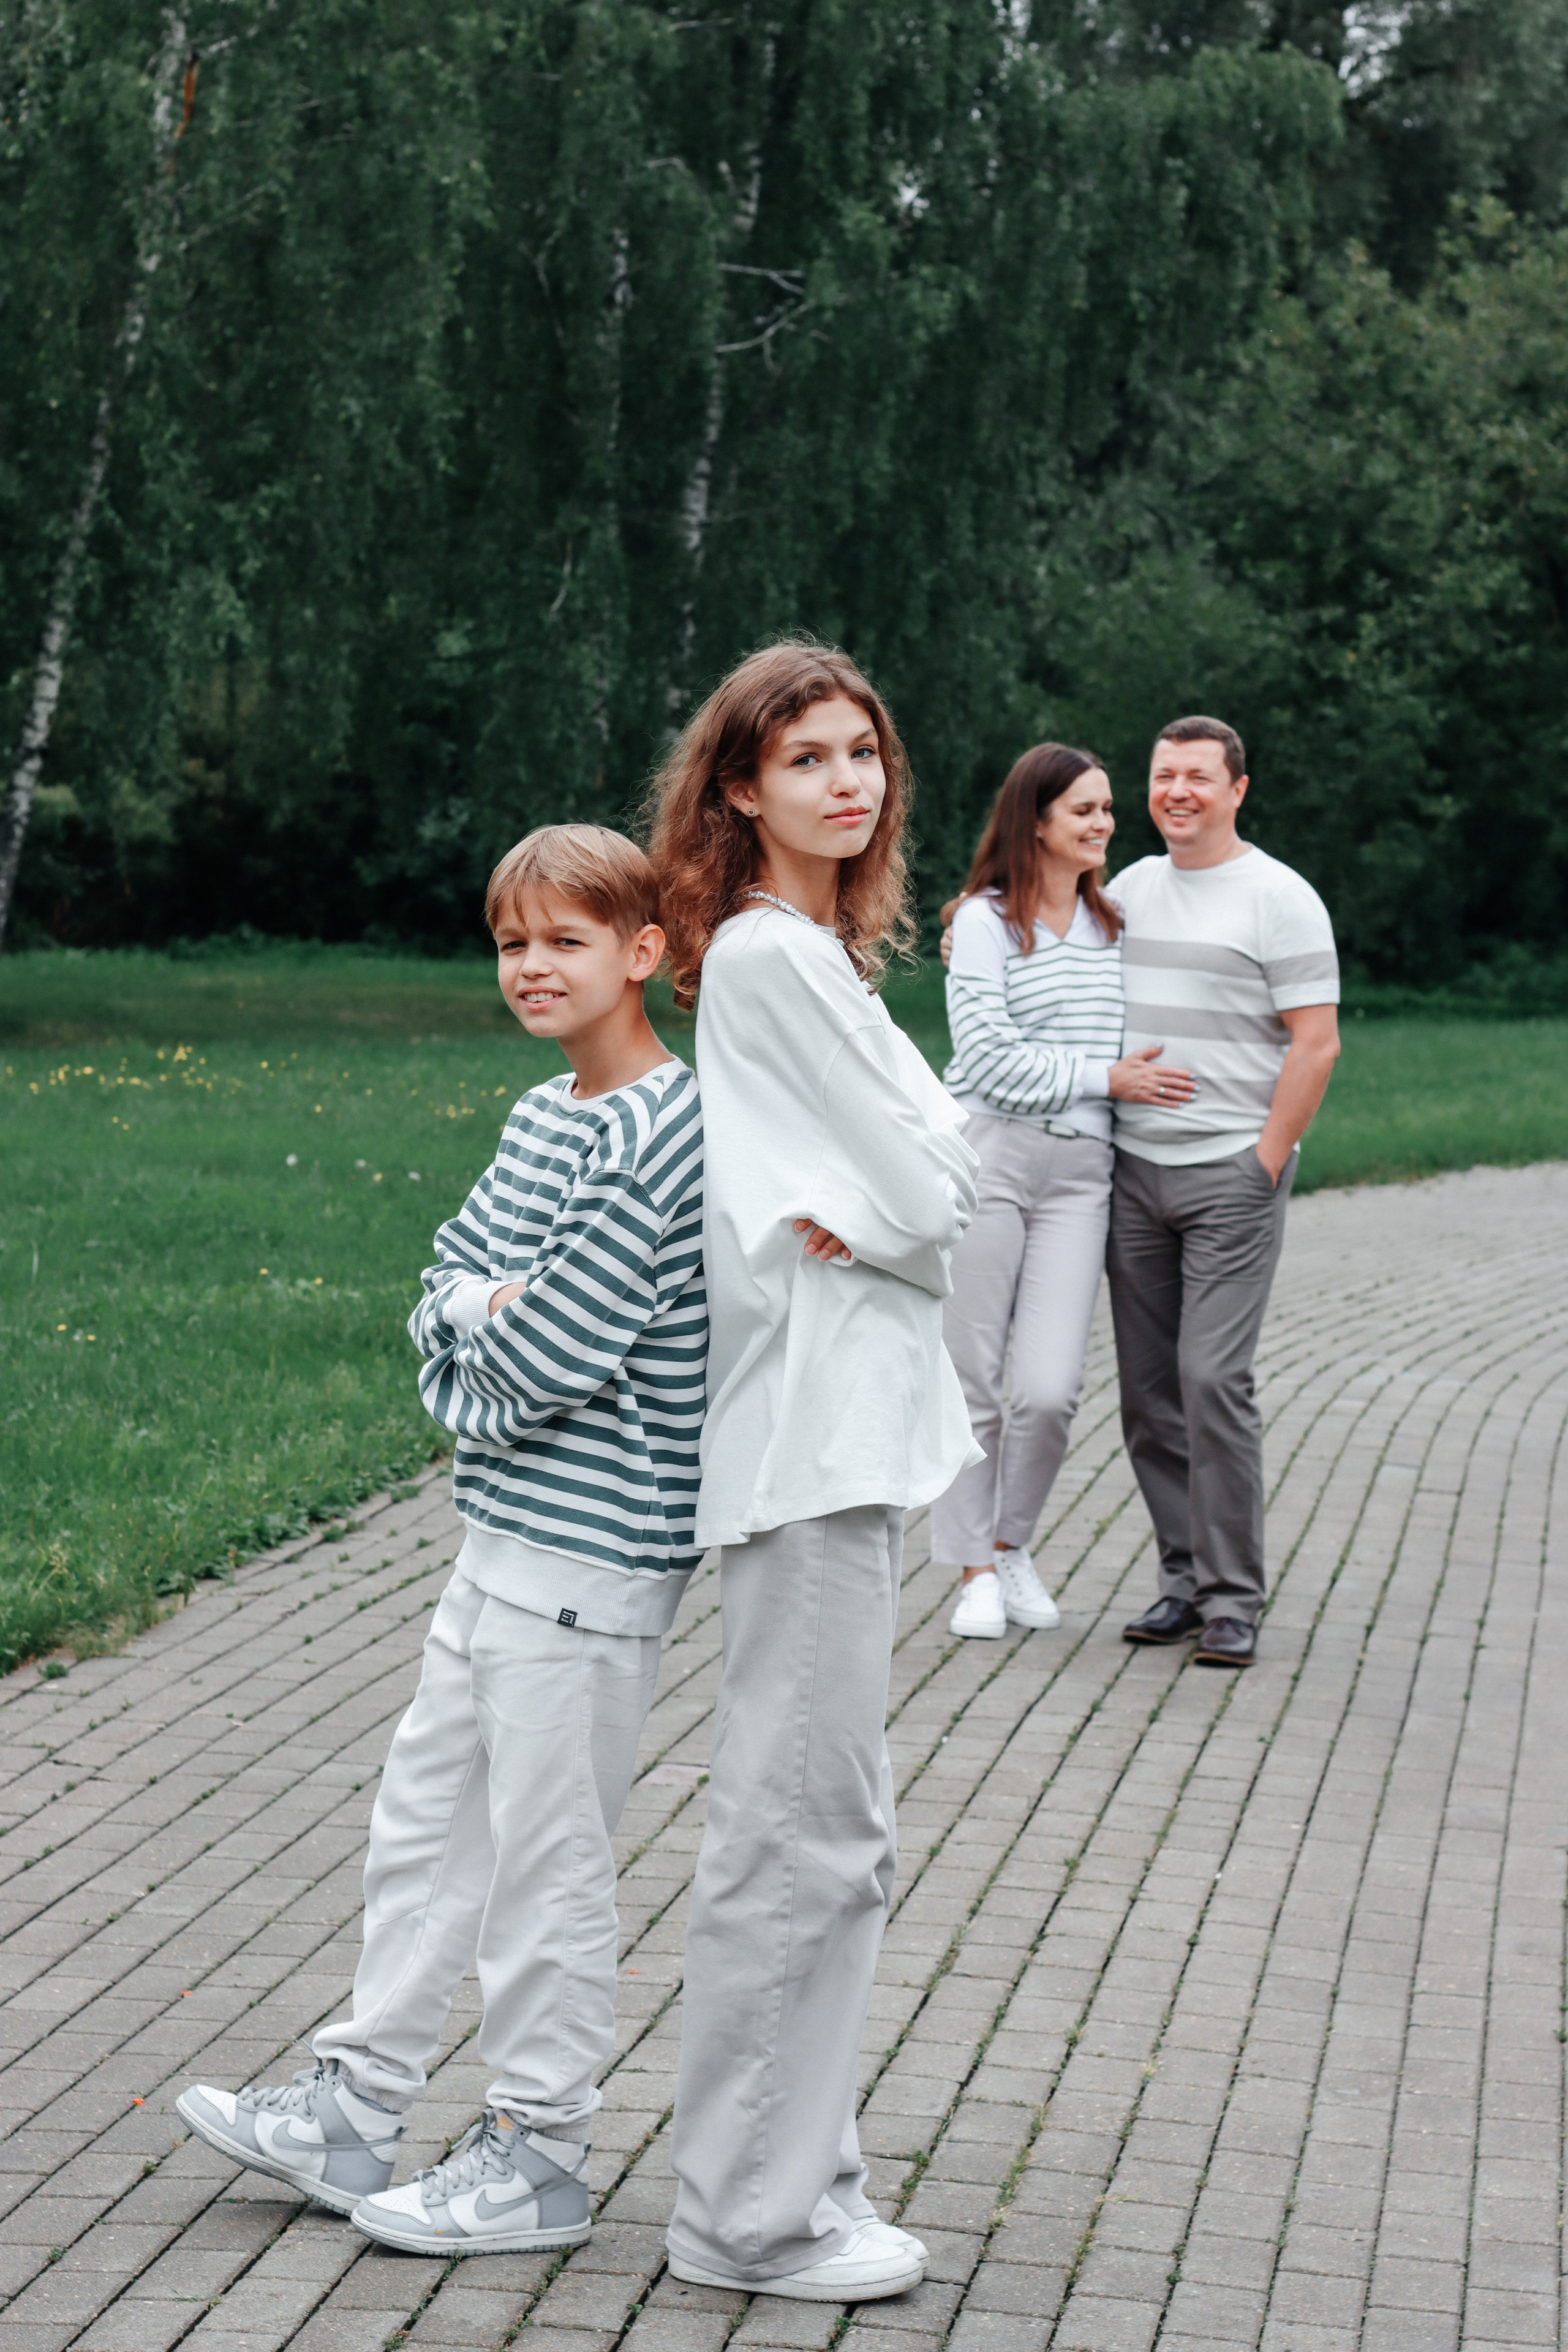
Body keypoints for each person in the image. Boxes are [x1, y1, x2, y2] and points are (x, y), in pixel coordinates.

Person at [178, 824, 706, 2253]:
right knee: (422, 1833)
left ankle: (538, 2151)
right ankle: (357, 2105)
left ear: (643, 952)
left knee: (547, 1867)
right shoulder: (546, 1118)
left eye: (565, 941)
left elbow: (548, 1350)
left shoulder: (671, 1129)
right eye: (511, 942)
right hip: (497, 1538)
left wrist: (483, 1319)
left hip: (595, 1562)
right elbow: (445, 1282)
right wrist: (480, 1311)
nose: (531, 967)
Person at [647, 641, 979, 2304]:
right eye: (807, 759)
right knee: (801, 1832)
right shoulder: (776, 959)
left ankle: (798, 2173)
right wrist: (911, 1221)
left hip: (839, 1440)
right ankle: (750, 2219)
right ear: (738, 790)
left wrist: (913, 1215)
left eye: (864, 754)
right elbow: (934, 1204)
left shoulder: (816, 963)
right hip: (807, 1446)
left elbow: (943, 1181)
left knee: (830, 1825)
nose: (847, 782)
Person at [934, 744, 1196, 1639]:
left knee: (1048, 1390)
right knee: (972, 1377)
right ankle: (971, 1569)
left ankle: (1012, 1546)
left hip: (1084, 1175)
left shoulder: (1118, 925)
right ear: (1035, 819)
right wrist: (1104, 1077)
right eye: (1084, 809)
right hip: (990, 1158)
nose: (1104, 824)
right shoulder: (981, 923)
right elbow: (983, 1061)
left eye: (1108, 810)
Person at [1110, 718, 1340, 1667]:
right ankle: (1183, 1581)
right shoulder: (1126, 891)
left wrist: (1264, 1160)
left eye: (1199, 777)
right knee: (1150, 1393)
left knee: (1213, 1380)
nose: (1179, 792)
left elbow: (1316, 1041)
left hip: (1229, 1177)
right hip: (1131, 1174)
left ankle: (1234, 1599)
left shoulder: (1279, 899)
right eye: (1165, 776)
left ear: (1238, 789)